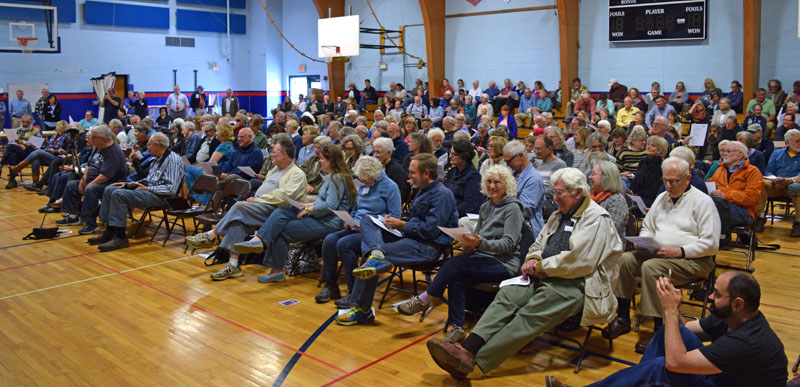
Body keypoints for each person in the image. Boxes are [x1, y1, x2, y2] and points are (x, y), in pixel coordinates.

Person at [426, 167, 621, 380]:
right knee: (507, 295)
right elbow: (539, 242)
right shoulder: (560, 214)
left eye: (559, 193)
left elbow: (580, 262)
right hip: (544, 273)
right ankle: (468, 347)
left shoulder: (596, 218)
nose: (554, 199)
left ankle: (473, 359)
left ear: (577, 192)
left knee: (530, 314)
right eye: (553, 192)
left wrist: (540, 266)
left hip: (577, 283)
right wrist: (532, 258)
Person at [548, 271, 788, 387]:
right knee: (667, 333)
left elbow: (675, 362)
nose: (711, 297)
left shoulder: (746, 341)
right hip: (724, 377)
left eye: (717, 294)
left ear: (738, 304)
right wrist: (671, 304)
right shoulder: (736, 316)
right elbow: (686, 330)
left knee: (662, 368)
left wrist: (671, 312)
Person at [605, 157, 720, 353]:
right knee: (625, 260)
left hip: (693, 260)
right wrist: (646, 241)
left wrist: (680, 251)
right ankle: (622, 316)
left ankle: (661, 329)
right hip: (660, 254)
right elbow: (648, 226)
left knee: (651, 268)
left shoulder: (703, 202)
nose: (669, 185)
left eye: (674, 181)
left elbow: (711, 244)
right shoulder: (662, 198)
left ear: (688, 178)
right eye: (665, 180)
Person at [396, 165, 523, 340]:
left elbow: (509, 244)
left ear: (506, 185)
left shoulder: (513, 209)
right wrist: (469, 244)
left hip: (504, 263)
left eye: (497, 182)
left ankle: (426, 298)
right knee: (457, 276)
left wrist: (479, 244)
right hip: (482, 258)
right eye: (489, 181)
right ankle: (457, 327)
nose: (492, 186)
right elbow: (478, 237)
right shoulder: (486, 207)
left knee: (455, 263)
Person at [336, 153, 458, 325]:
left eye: (413, 172)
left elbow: (430, 230)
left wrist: (401, 224)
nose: (409, 176)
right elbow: (417, 222)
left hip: (428, 247)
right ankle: (378, 255)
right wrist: (394, 223)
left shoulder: (442, 195)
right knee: (367, 221)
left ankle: (362, 309)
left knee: (368, 258)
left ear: (427, 174)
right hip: (411, 239)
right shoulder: (423, 191)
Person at [186, 136, 306, 278]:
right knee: (238, 220)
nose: (271, 155)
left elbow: (283, 197)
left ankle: (211, 235)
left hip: (278, 211)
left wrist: (257, 200)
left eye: (274, 152)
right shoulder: (274, 170)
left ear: (284, 155)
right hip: (263, 206)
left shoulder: (297, 174)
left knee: (239, 206)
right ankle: (233, 265)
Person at [233, 144, 357, 282]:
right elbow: (328, 200)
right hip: (322, 217)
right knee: (283, 210)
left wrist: (309, 209)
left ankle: (275, 269)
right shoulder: (334, 177)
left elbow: (330, 205)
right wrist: (309, 204)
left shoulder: (337, 178)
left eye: (322, 159)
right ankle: (259, 241)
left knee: (281, 230)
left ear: (331, 160)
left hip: (329, 223)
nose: (319, 161)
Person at [316, 156, 402, 304]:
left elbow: (395, 218)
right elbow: (356, 209)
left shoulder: (391, 187)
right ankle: (331, 285)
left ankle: (353, 291)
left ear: (373, 174)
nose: (362, 182)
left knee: (344, 244)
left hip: (376, 233)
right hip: (357, 227)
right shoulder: (364, 184)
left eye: (364, 179)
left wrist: (368, 224)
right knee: (329, 240)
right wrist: (351, 221)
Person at [55, 125, 128, 234]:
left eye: (93, 137)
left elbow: (105, 176)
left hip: (111, 184)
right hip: (94, 180)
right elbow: (89, 164)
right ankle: (73, 216)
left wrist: (89, 185)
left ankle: (90, 223)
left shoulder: (113, 152)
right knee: (72, 185)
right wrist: (83, 180)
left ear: (102, 139)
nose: (89, 139)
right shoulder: (97, 147)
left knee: (91, 189)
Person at [707, 140, 763, 240]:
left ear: (740, 155)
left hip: (744, 211)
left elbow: (751, 198)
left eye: (728, 151)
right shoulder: (720, 170)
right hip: (720, 206)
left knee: (714, 206)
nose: (724, 154)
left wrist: (725, 195)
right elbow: (709, 186)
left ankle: (721, 238)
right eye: (723, 151)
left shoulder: (753, 172)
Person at [757, 129, 800, 235]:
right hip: (776, 185)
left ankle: (798, 223)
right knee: (762, 184)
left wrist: (790, 180)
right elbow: (769, 171)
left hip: (793, 185)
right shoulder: (777, 154)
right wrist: (775, 179)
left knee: (798, 191)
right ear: (788, 142)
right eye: (797, 141)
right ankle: (758, 218)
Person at [505, 140, 546, 236]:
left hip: (527, 227)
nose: (507, 164)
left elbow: (524, 209)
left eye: (508, 161)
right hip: (508, 219)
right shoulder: (513, 174)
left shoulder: (534, 179)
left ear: (520, 156)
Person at [589, 160, 628, 239]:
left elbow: (610, 230)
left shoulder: (617, 201)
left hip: (608, 246)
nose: (589, 177)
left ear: (606, 177)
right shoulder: (590, 198)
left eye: (593, 174)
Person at [443, 139, 482, 218]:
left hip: (459, 216)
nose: (450, 156)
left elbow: (470, 204)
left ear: (464, 156)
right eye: (450, 153)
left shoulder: (473, 177)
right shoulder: (453, 172)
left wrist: (449, 212)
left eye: (454, 154)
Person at [630, 136, 668, 207]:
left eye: (653, 146)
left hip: (650, 199)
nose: (648, 147)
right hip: (637, 196)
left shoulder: (662, 165)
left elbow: (653, 189)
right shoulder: (643, 161)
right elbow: (636, 182)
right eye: (648, 144)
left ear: (660, 149)